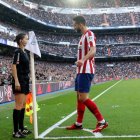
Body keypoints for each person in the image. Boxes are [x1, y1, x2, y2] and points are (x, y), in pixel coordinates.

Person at [66, 16, 108, 132]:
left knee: (84, 98)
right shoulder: (82, 37)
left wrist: (83, 60)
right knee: (79, 98)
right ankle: (78, 123)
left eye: (74, 24)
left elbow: (93, 50)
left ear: (80, 24)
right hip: (80, 71)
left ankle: (102, 121)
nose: (73, 26)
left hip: (86, 70)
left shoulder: (89, 34)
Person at [12, 33, 32, 138]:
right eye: (26, 38)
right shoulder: (17, 52)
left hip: (25, 80)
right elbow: (14, 66)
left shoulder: (25, 52)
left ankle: (21, 128)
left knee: (23, 105)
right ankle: (15, 131)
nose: (27, 40)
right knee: (18, 105)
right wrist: (16, 81)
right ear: (20, 40)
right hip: (19, 80)